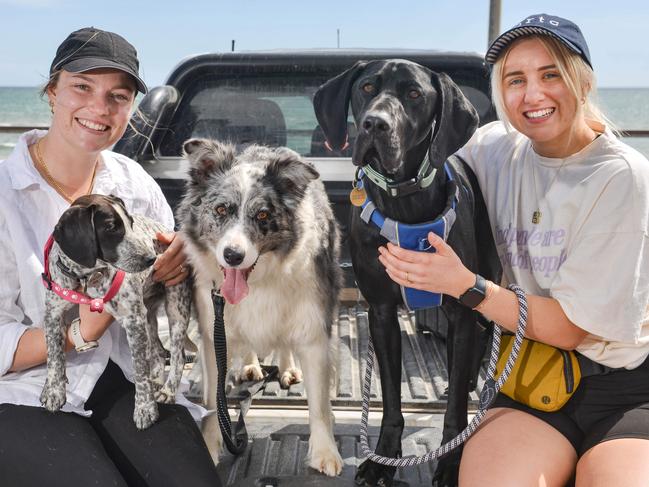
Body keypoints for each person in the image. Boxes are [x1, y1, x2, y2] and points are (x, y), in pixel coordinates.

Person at [378, 14, 649, 487]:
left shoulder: (619, 176)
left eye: (551, 75)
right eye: (515, 79)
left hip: (622, 389)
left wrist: (465, 286)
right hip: (529, 381)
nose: (533, 95)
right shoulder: (494, 148)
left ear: (582, 81)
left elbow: (569, 328)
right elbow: (420, 179)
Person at [0, 27, 222, 487]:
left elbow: (173, 297)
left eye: (118, 97)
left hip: (122, 369)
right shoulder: (4, 195)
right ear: (52, 91)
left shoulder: (134, 182)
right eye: (82, 87)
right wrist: (82, 328)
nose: (100, 108)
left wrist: (186, 263)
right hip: (17, 390)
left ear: (130, 111)